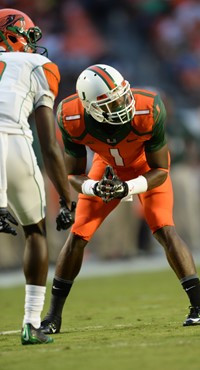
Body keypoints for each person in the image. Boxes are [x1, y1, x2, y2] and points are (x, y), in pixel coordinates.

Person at [41, 64, 200, 334]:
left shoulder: (149, 107)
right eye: (111, 103)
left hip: (146, 167)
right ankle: (52, 317)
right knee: (78, 235)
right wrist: (95, 188)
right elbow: (73, 174)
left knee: (164, 229)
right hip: (105, 166)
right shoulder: (69, 115)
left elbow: (161, 170)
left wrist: (127, 187)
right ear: (89, 107)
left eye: (121, 96)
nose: (122, 104)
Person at [0, 9, 75, 345]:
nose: (31, 45)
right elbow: (49, 145)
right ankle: (31, 323)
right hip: (11, 139)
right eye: (27, 37)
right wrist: (66, 197)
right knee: (35, 231)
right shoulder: (37, 67)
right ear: (9, 34)